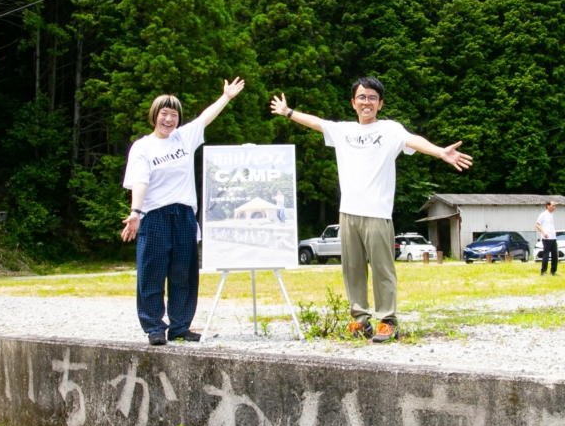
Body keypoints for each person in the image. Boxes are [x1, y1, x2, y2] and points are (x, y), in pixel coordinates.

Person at [270, 76, 472, 343]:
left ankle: (387, 321)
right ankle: (360, 321)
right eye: (362, 97)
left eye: (372, 98)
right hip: (348, 213)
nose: (367, 102)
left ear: (380, 104)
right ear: (353, 102)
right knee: (352, 270)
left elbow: (414, 140)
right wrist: (288, 112)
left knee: (382, 269)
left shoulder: (390, 130)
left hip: (378, 213)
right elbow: (317, 122)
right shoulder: (343, 131)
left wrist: (440, 152)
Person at [121, 78, 246, 345]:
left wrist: (226, 97)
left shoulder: (183, 138)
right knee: (151, 273)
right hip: (154, 216)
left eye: (174, 115)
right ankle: (154, 327)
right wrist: (135, 212)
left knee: (183, 275)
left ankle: (180, 326)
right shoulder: (143, 147)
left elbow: (205, 118)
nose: (168, 119)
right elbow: (140, 181)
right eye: (164, 113)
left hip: (184, 215)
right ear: (154, 115)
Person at [536, 201, 558, 276]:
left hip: (553, 237)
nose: (554, 207)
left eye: (554, 205)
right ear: (548, 206)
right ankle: (543, 271)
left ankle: (553, 271)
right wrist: (543, 232)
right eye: (553, 205)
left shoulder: (552, 215)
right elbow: (537, 225)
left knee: (555, 254)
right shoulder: (543, 214)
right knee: (546, 254)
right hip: (546, 238)